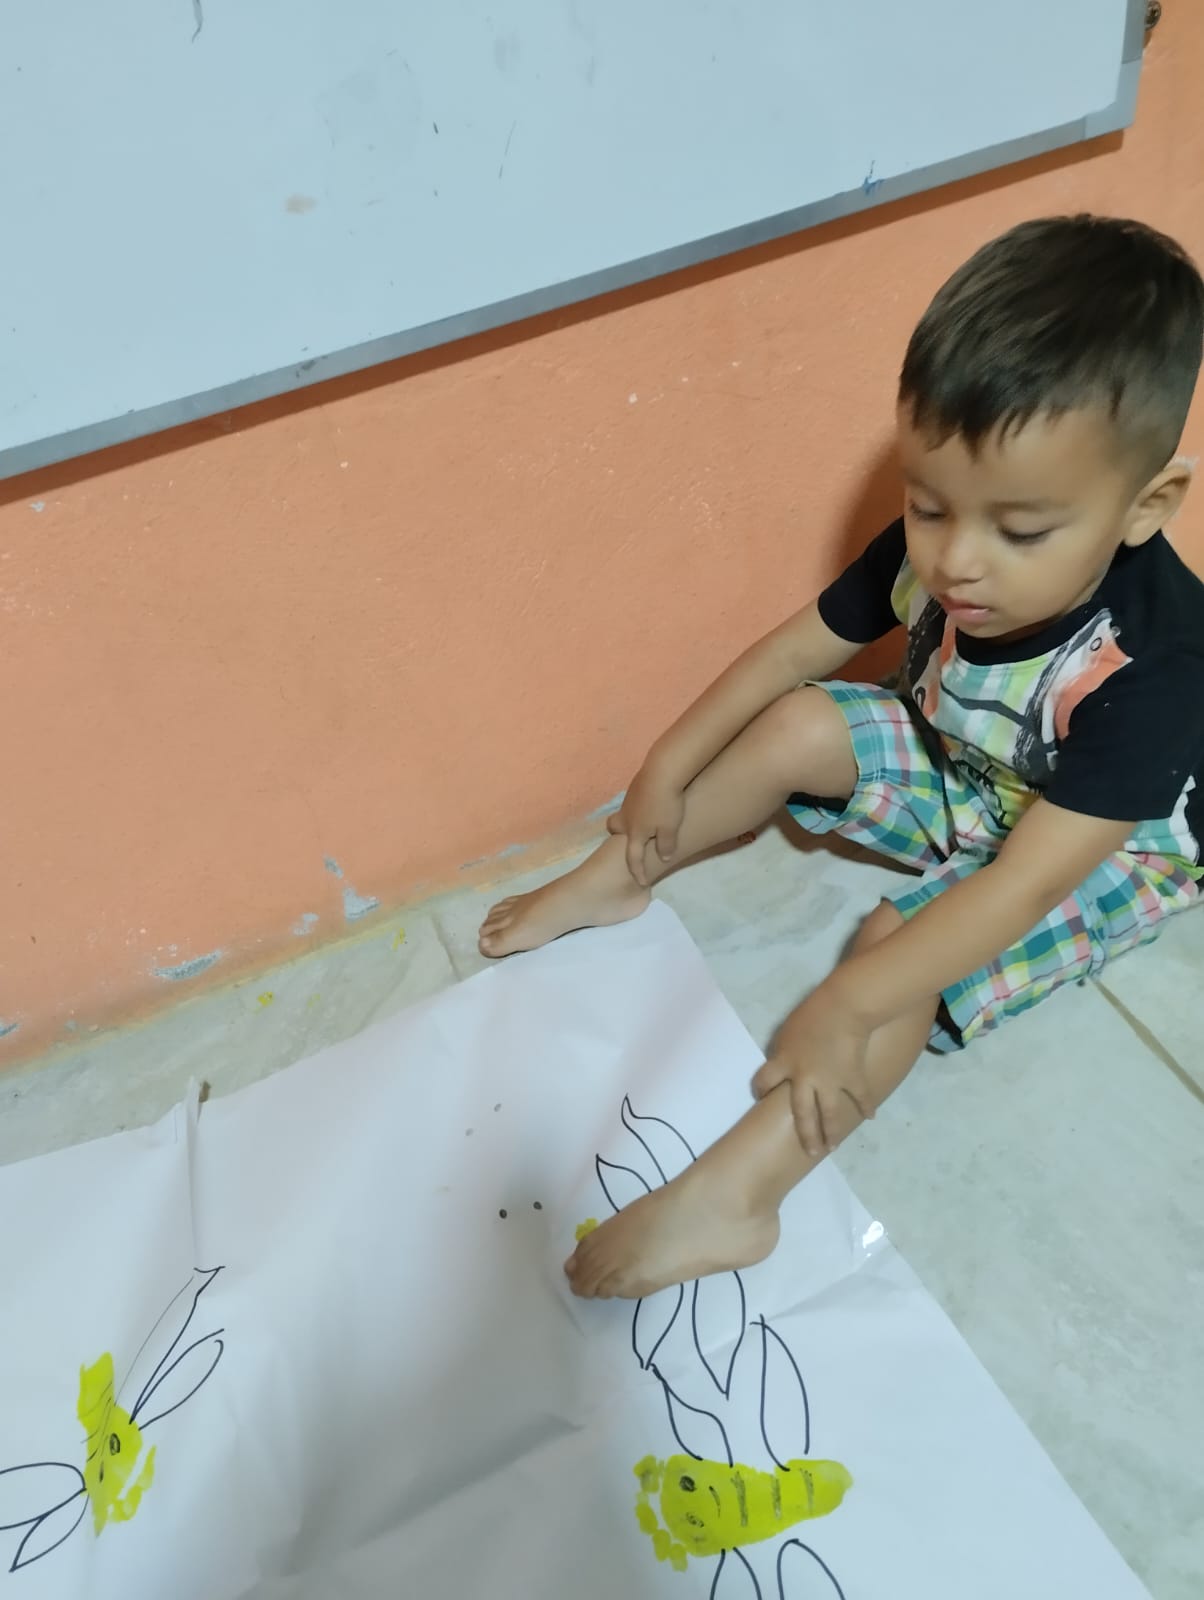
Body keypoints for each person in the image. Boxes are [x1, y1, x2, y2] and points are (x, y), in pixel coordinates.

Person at [479, 215, 1204, 1301]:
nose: (956, 561)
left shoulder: (1159, 668)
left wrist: (853, 1002)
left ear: (1146, 506)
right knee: (796, 726)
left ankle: (741, 1195)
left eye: (1019, 532)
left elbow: (1021, 884)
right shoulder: (944, 547)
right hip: (976, 774)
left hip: (1098, 850)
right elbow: (791, 654)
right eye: (929, 505)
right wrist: (665, 768)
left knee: (894, 948)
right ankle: (617, 878)